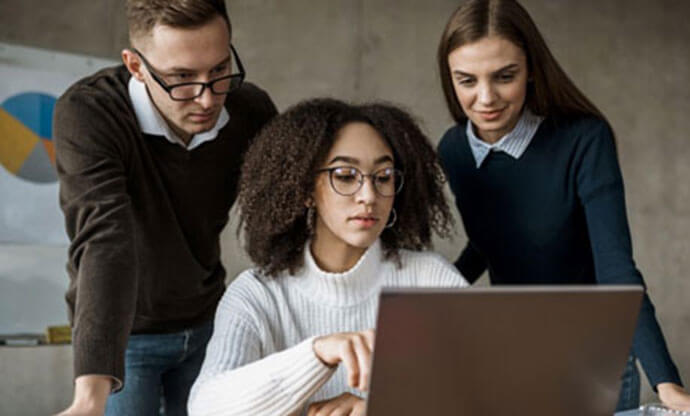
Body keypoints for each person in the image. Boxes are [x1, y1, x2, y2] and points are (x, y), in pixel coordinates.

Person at [435, 0, 690, 412]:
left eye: (505, 76)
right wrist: (429, 299)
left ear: (532, 69)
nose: (485, 98)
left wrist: (666, 381)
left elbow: (615, 269)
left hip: (592, 354)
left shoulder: (584, 140)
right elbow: (490, 242)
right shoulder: (454, 150)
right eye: (466, 80)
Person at [53, 0, 277, 414]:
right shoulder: (89, 113)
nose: (207, 99)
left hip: (211, 321)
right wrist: (89, 397)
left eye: (220, 69)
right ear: (136, 66)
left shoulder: (250, 111)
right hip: (125, 335)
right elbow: (104, 239)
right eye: (182, 78)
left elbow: (283, 218)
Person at [186, 98, 468, 415]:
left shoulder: (430, 280)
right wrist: (317, 354)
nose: (368, 196)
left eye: (383, 176)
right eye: (345, 176)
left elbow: (490, 393)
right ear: (305, 188)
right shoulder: (257, 294)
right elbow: (205, 408)